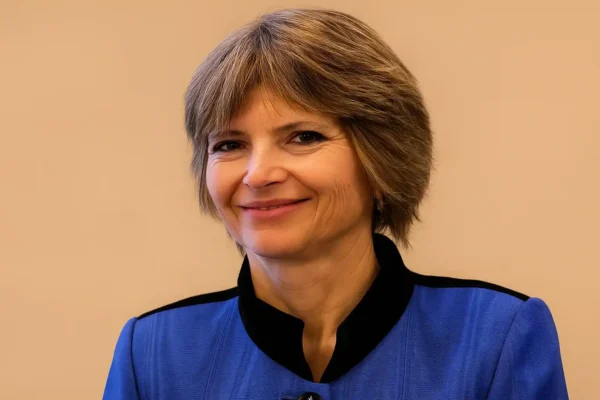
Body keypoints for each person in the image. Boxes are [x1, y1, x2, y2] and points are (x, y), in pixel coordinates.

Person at [103, 8, 568, 400]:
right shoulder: (152, 354)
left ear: (382, 160)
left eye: (304, 137)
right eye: (229, 145)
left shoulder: (497, 337)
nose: (258, 174)